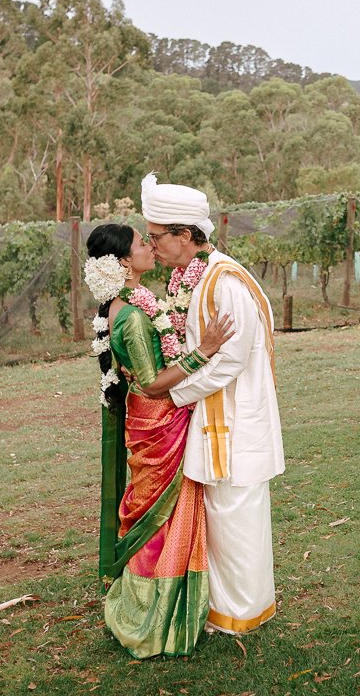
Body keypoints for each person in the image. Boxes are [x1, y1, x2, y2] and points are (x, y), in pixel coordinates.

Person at [140, 173, 284, 635]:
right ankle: (225, 609)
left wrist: (173, 394)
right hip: (216, 419)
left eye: (157, 237)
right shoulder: (193, 276)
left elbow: (233, 360)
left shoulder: (224, 282)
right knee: (224, 519)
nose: (152, 245)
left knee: (237, 519)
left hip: (236, 421)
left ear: (186, 236)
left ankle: (241, 615)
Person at [83, 223, 235, 659]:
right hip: (157, 421)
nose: (150, 247)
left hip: (154, 419)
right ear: (125, 262)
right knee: (161, 518)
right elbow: (151, 384)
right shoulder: (130, 314)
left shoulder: (129, 302)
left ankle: (166, 604)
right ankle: (153, 617)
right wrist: (203, 351)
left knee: (161, 514)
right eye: (140, 243)